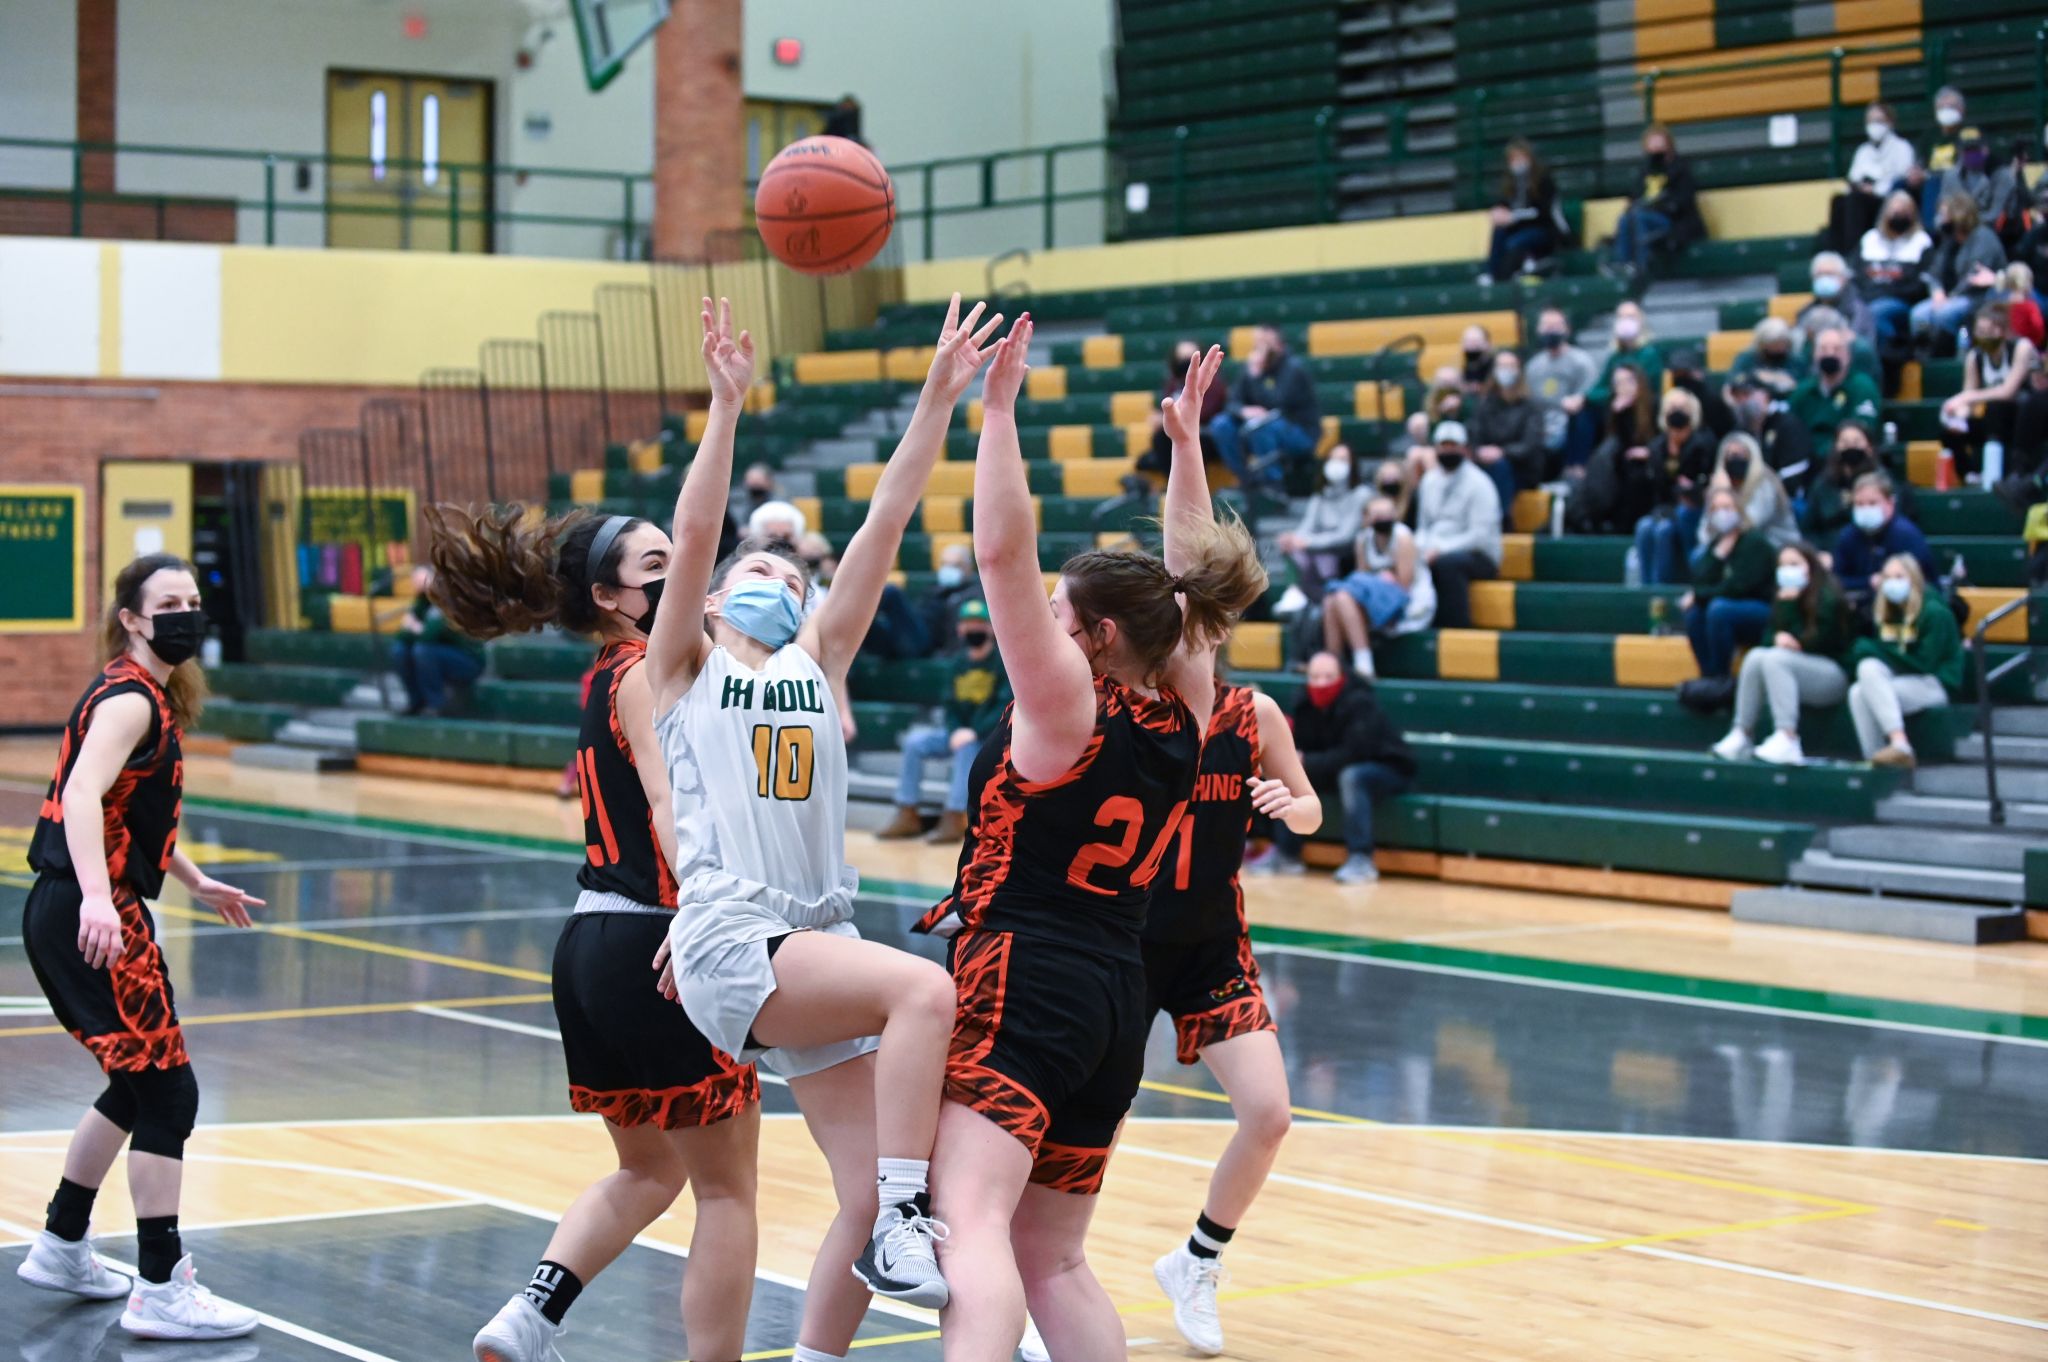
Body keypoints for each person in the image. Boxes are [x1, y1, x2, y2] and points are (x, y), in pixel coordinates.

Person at [648, 295, 1004, 1356]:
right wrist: (724, 407)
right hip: (730, 937)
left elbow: (887, 520)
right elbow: (694, 530)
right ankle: (905, 1222)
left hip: (811, 941)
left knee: (856, 1191)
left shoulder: (817, 662)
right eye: (760, 571)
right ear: (709, 601)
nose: (782, 581)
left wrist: (939, 397)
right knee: (925, 988)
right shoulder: (685, 670)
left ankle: (823, 1336)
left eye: (794, 577)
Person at [922, 329, 1265, 1362]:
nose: (1047, 620)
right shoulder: (1187, 711)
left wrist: (996, 412)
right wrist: (1186, 451)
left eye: (1064, 613)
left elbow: (997, 555)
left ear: (1097, 637)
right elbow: (1190, 590)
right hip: (1117, 995)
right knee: (1056, 1260)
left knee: (969, 1226)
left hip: (1022, 971)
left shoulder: (1068, 704)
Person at [428, 509, 763, 1362]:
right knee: (726, 1194)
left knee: (648, 1170)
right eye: (658, 561)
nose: (683, 568)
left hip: (588, 949)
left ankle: (531, 1315)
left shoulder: (603, 676)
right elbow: (664, 802)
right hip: (656, 940)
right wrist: (702, 910)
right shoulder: (647, 676)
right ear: (611, 596)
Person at [16, 553, 263, 1342]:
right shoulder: (130, 700)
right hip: (90, 910)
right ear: (131, 617)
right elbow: (82, 796)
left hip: (77, 903)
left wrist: (191, 879)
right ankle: (161, 1286)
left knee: (135, 1085)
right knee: (168, 1095)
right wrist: (97, 896)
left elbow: (125, 808)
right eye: (168, 602)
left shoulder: (137, 689)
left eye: (193, 599)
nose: (185, 612)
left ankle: (61, 1243)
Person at [1136, 669, 1320, 1353]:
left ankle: (1198, 1260)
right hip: (1126, 941)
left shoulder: (1253, 713)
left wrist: (1287, 804)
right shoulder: (1127, 706)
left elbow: (1310, 810)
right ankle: (1046, 1283)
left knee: (1269, 1115)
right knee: (1096, 1124)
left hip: (1213, 946)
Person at [1259, 652, 1416, 885]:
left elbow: (1356, 753)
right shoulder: (1303, 702)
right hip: (1334, 769)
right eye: (1315, 677)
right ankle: (1286, 855)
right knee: (1290, 775)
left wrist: (1308, 762)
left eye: (1328, 677)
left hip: (1387, 768)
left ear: (1342, 676)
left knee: (1352, 776)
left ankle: (1361, 859)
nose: (1321, 684)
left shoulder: (1360, 702)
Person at [877, 598, 1010, 845]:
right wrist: (956, 730)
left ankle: (955, 816)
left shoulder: (1002, 662)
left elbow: (1005, 705)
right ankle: (908, 811)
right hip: (960, 733)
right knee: (915, 742)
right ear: (960, 629)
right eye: (969, 624)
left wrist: (973, 732)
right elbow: (949, 706)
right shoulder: (957, 663)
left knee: (966, 748)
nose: (974, 630)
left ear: (990, 628)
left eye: (979, 624)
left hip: (989, 737)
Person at [1712, 543, 1852, 767]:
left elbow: (1823, 641)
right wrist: (1784, 621)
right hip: (1796, 668)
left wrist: (1794, 636)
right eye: (1783, 565)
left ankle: (1787, 737)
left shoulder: (1829, 595)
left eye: (1794, 564)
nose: (1788, 570)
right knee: (1757, 655)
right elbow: (1769, 638)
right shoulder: (1783, 596)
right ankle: (1741, 733)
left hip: (1832, 675)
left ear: (1810, 566)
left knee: (1776, 658)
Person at [1847, 554, 1963, 766]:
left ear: (1914, 579)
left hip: (1934, 683)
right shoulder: (1888, 611)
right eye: (1887, 577)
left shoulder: (1935, 612)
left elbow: (1924, 664)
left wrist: (1874, 649)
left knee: (1868, 671)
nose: (1893, 583)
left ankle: (1899, 743)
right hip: (1903, 680)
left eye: (1899, 576)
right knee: (1859, 688)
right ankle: (1878, 757)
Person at [1322, 493, 1436, 676]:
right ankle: (1333, 664)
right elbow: (1362, 578)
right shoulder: (1363, 539)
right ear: (1366, 519)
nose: (1384, 519)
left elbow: (1404, 585)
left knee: (1342, 596)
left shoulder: (1403, 537)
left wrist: (1383, 579)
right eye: (1378, 515)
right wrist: (1378, 581)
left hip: (1408, 602)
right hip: (1377, 598)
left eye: (1388, 514)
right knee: (1331, 600)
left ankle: (1363, 664)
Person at [1681, 485, 1777, 683]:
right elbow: (1699, 579)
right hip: (1730, 610)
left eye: (1727, 507)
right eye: (1716, 509)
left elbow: (1739, 587)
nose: (1722, 513)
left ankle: (1721, 677)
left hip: (1764, 610)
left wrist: (1700, 596)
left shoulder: (1754, 542)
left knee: (1718, 609)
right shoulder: (1717, 544)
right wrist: (1717, 557)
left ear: (1739, 510)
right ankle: (1708, 676)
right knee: (1695, 614)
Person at [1208, 325, 1321, 493]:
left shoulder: (1293, 369)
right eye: (1257, 344)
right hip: (1258, 427)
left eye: (1265, 344)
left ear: (1279, 345)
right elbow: (1232, 402)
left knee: (1262, 426)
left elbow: (1280, 403)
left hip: (1298, 431)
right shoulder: (1252, 369)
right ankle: (1245, 478)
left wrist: (1257, 377)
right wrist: (1244, 411)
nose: (1260, 349)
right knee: (1221, 424)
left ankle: (1273, 485)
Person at [1413, 420, 1501, 630]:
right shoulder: (1429, 481)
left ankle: (1456, 628)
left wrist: (1441, 550)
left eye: (1453, 446)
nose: (1448, 450)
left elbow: (1479, 536)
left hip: (1479, 554)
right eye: (1444, 446)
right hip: (1433, 547)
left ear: (1464, 449)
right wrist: (1420, 547)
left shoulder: (1480, 483)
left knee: (1447, 565)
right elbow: (1423, 525)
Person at [1941, 300, 2042, 486]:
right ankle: (1970, 475)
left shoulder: (2021, 347)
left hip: (2025, 419)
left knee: (1997, 407)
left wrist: (1966, 397)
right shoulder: (1975, 357)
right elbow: (1968, 400)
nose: (1985, 336)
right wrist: (1957, 415)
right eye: (1980, 331)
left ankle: (2011, 473)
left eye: (1990, 331)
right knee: (1950, 430)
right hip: (1993, 422)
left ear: (2003, 331)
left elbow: (2008, 391)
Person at [1631, 388, 1715, 584]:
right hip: (1664, 508)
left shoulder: (1703, 443)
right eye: (1672, 407)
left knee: (1664, 530)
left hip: (1692, 510)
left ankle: (1662, 589)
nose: (1677, 412)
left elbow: (1703, 485)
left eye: (1682, 407)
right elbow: (1656, 488)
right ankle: (1647, 588)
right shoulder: (1657, 446)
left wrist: (1690, 487)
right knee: (1644, 526)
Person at [1275, 443, 1369, 605]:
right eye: (1333, 459)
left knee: (1318, 555)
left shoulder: (1361, 494)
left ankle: (1305, 593)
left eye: (1343, 459)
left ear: (1353, 464)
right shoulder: (1319, 496)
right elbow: (1307, 526)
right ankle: (1296, 592)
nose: (1337, 464)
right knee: (1289, 546)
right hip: (1316, 548)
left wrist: (1308, 542)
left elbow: (1345, 536)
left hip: (1345, 553)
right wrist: (1293, 538)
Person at [1913, 191, 2007, 353]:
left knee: (1944, 314)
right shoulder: (1948, 240)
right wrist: (1937, 291)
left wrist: (1949, 298)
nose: (1940, 219)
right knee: (1918, 315)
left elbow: (1973, 277)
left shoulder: (1983, 237)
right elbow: (1934, 272)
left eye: (1944, 214)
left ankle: (1947, 357)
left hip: (1976, 298)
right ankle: (1924, 361)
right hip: (1948, 298)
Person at [1608, 124, 1704, 279]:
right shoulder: (1645, 171)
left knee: (1639, 218)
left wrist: (1658, 206)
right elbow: (1634, 196)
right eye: (1653, 145)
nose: (1657, 150)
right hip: (1645, 215)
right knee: (1626, 219)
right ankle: (1624, 264)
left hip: (1673, 221)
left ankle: (1642, 266)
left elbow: (1683, 201)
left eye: (1660, 145)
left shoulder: (1681, 168)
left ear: (1669, 146)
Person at [387, 564, 484, 715]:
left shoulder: (448, 599)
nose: (420, 584)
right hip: (440, 653)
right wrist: (415, 628)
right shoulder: (422, 599)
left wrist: (414, 626)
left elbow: (428, 635)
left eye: (424, 579)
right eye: (416, 580)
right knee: (400, 650)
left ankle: (437, 704)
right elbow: (402, 635)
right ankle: (416, 701)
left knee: (423, 651)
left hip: (469, 659)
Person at [1573, 361, 1656, 534]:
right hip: (1620, 460)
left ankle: (1621, 526)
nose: (1623, 387)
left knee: (1634, 475)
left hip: (1648, 461)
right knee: (1600, 468)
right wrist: (1620, 414)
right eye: (1618, 383)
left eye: (1628, 381)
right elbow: (1617, 443)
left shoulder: (1654, 405)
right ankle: (1591, 520)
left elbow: (1658, 439)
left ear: (1639, 383)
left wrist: (1650, 452)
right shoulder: (1612, 410)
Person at [1859, 189, 1935, 368]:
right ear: (1885, 213)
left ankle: (1890, 358)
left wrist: (1885, 290)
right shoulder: (1870, 239)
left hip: (1901, 302)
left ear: (1913, 215)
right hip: (1867, 299)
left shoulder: (1921, 241)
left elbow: (1922, 284)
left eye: (1903, 212)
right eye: (1894, 211)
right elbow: (1856, 276)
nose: (1898, 215)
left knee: (1875, 312)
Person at [1833, 471, 1938, 598]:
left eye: (1872, 503)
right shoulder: (1848, 536)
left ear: (1890, 503)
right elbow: (1836, 580)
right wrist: (1868, 581)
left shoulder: (1907, 535)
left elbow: (1924, 581)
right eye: (1859, 504)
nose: (1866, 510)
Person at [1827, 102, 1915, 253]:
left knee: (1856, 201)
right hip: (1863, 197)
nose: (1875, 125)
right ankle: (1837, 254)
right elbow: (1853, 179)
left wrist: (1875, 189)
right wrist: (1860, 187)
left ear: (1890, 122)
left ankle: (1854, 252)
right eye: (1871, 121)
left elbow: (1902, 180)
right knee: (1838, 200)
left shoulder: (1902, 147)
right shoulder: (1863, 151)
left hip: (1887, 199)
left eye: (1879, 121)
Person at [1481, 137, 1564, 284]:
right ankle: (1492, 273)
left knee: (1515, 242)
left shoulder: (1543, 180)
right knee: (1499, 232)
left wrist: (1514, 216)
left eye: (1520, 157)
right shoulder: (1510, 183)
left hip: (1541, 228)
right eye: (1513, 158)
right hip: (1517, 229)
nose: (1517, 162)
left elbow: (1543, 211)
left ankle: (1508, 274)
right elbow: (1504, 204)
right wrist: (1498, 212)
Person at [1526, 306, 1598, 470]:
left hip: (1568, 423)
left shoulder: (1581, 361)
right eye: (1546, 326)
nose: (1550, 331)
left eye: (1556, 326)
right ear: (1538, 330)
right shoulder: (1533, 366)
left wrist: (1577, 400)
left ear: (1567, 330)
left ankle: (1577, 468)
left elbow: (1587, 394)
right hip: (1540, 425)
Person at [1469, 349, 1546, 501]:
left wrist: (1502, 452)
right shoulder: (1485, 404)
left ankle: (1502, 519)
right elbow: (1475, 435)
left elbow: (1529, 445)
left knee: (1500, 466)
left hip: (1521, 468)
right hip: (1487, 462)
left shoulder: (1531, 407)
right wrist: (1480, 451)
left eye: (1510, 366)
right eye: (1501, 366)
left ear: (1519, 371)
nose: (1506, 371)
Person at [1724, 374, 1817, 499]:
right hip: (1748, 498)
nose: (1742, 402)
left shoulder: (1787, 425)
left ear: (1766, 396)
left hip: (1788, 499)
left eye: (1747, 395)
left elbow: (1795, 473)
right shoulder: (1740, 431)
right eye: (1738, 397)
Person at [1787, 326, 1882, 446]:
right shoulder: (1803, 390)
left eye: (1837, 349)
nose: (1830, 354)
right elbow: (1789, 427)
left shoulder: (1863, 386)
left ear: (1848, 356)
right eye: (1823, 349)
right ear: (1814, 355)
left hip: (1845, 457)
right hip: (1807, 457)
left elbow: (1863, 429)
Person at [1141, 340, 1225, 471]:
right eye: (1182, 358)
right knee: (1160, 438)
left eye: (1190, 358)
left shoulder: (1212, 382)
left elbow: (1207, 412)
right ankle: (1172, 484)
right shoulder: (1173, 383)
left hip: (1205, 433)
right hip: (1180, 430)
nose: (1186, 363)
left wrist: (1176, 416)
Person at [1707, 432, 1800, 548]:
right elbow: (1705, 532)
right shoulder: (1720, 482)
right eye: (1730, 455)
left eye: (1740, 455)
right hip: (1735, 545)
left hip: (1776, 544)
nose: (1735, 460)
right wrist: (1716, 493)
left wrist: (1726, 492)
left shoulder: (1765, 481)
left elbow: (1750, 526)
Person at [1937, 128, 2025, 245]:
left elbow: (1996, 215)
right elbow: (1942, 210)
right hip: (1956, 235)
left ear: (1986, 149)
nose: (1971, 153)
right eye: (1967, 150)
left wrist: (1965, 222)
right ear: (1959, 151)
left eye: (1975, 149)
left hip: (1995, 236)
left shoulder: (2001, 175)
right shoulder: (1951, 176)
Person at [1799, 421, 1884, 542]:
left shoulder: (1882, 481)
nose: (1851, 447)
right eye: (1845, 442)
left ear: (1869, 448)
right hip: (1829, 551)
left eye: (1857, 442)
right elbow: (1808, 529)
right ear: (1835, 448)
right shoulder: (1823, 484)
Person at [1907, 86, 1968, 227]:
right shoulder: (1929, 136)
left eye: (1951, 107)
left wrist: (1927, 175)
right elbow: (1919, 162)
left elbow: (1964, 165)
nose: (1946, 111)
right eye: (1942, 107)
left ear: (1962, 110)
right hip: (1927, 178)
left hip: (1955, 181)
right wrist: (1914, 172)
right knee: (1899, 184)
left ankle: (1931, 233)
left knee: (1933, 182)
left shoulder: (1967, 133)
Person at [1588, 300, 1664, 404]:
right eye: (1621, 317)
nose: (1625, 321)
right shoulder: (1615, 357)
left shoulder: (1649, 354)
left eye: (1631, 317)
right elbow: (1596, 391)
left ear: (1641, 321)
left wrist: (1617, 392)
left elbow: (1645, 389)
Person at [1798, 250, 1875, 347]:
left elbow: (1861, 346)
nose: (1824, 279)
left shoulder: (1857, 311)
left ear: (1844, 278)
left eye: (1830, 274)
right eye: (1819, 275)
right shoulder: (1806, 312)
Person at [1730, 317, 1806, 399]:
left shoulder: (1796, 359)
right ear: (1763, 344)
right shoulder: (1747, 358)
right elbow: (1734, 381)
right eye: (1775, 344)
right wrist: (1756, 376)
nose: (1780, 348)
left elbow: (1802, 385)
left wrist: (1773, 377)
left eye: (1783, 343)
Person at [1458, 324, 1496, 393]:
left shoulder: (1497, 369)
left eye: (1476, 342)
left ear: (1488, 344)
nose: (1472, 347)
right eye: (1468, 341)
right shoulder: (1459, 371)